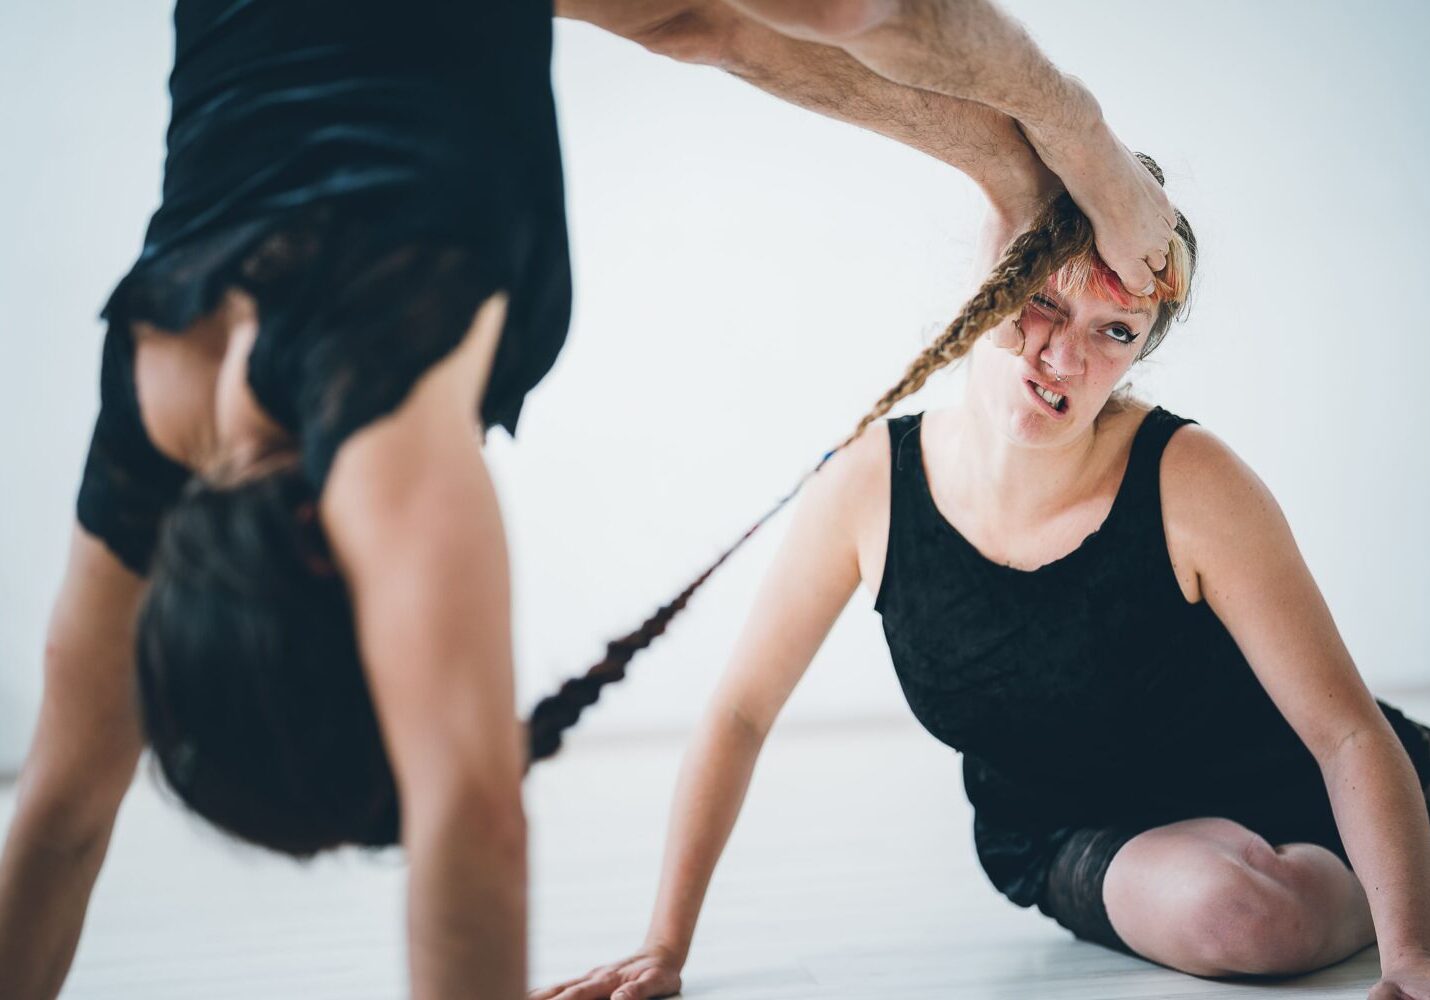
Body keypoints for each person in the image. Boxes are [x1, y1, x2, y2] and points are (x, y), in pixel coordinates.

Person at [0, 2, 1182, 998]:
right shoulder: (159, 398)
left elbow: (470, 824)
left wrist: (1083, 148)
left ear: (325, 541)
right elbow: (56, 819)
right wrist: (1012, 169)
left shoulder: (378, 416)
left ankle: (1072, 143)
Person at [531, 162, 1430, 1000]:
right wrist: (665, 944)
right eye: (1043, 303)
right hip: (1076, 832)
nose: (1064, 357)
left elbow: (1347, 732)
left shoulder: (1191, 479)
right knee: (1240, 917)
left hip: (1302, 783)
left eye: (1114, 331)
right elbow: (740, 712)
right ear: (989, 288)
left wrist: (1410, 958)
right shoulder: (870, 484)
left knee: (1283, 884)